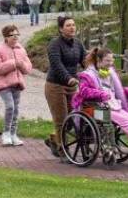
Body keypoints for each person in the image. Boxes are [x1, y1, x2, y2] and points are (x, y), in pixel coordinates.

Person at [44, 16, 85, 158]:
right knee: (61, 120)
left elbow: (85, 61)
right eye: (68, 25)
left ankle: (54, 140)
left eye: (73, 25)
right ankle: (63, 152)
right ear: (61, 29)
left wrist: (94, 73)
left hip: (72, 86)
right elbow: (57, 65)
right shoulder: (54, 44)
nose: (72, 27)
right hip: (55, 86)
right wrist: (68, 78)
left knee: (72, 120)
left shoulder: (78, 44)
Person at [0, 25, 32, 146]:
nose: (15, 37)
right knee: (10, 107)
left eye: (17, 35)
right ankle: (6, 133)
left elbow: (28, 67)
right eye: (12, 35)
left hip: (17, 84)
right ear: (5, 37)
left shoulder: (21, 49)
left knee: (16, 109)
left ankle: (13, 134)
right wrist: (14, 63)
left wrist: (21, 65)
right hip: (3, 84)